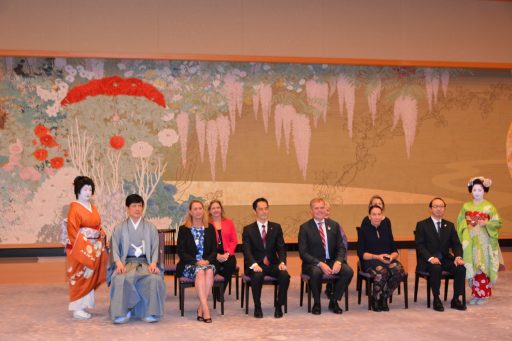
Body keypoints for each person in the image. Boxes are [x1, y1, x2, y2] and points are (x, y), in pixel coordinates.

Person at [107, 194, 167, 324]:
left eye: (140, 205)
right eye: (134, 206)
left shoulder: (150, 228)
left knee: (153, 278)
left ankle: (149, 312)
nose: (137, 209)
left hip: (145, 263)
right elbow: (114, 248)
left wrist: (153, 263)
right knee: (119, 278)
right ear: (127, 209)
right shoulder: (119, 228)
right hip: (125, 263)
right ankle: (122, 311)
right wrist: (118, 263)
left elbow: (156, 248)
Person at [298, 198, 353, 315]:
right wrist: (320, 263)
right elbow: (303, 253)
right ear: (311, 211)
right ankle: (317, 303)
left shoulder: (334, 225)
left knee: (348, 271)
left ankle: (334, 301)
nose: (319, 210)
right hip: (313, 263)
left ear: (325, 209)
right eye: (316, 208)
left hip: (332, 261)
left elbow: (341, 247)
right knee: (316, 272)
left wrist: (338, 261)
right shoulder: (305, 228)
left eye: (322, 208)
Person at [65, 176, 108, 320]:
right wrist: (86, 247)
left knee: (89, 277)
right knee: (79, 277)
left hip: (93, 246)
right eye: (85, 189)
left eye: (90, 189)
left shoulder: (93, 207)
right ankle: (77, 309)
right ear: (78, 190)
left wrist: (100, 234)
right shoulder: (75, 209)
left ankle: (83, 307)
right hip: (80, 248)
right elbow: (72, 231)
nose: (88, 192)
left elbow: (97, 226)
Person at [456, 176, 503, 305]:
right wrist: (467, 224)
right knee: (473, 266)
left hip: (484, 240)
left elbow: (498, 222)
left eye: (480, 190)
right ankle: (476, 294)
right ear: (471, 190)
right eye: (475, 190)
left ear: (484, 191)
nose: (477, 193)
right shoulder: (466, 206)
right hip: (470, 239)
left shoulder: (489, 207)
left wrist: (487, 223)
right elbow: (459, 222)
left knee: (483, 266)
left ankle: (483, 295)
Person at [415, 197, 466, 312]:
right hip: (428, 261)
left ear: (444, 209)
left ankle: (456, 299)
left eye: (441, 207)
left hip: (445, 259)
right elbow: (420, 245)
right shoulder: (422, 225)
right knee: (436, 268)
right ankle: (436, 299)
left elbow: (456, 244)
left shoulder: (449, 225)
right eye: (436, 206)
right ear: (430, 209)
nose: (439, 209)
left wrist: (458, 257)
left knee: (461, 268)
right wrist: (430, 258)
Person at [242, 198, 290, 318]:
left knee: (285, 275)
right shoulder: (248, 229)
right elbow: (246, 251)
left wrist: (282, 262)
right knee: (257, 276)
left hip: (273, 264)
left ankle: (279, 305)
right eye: (260, 209)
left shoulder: (276, 227)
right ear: (255, 211)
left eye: (266, 208)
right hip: (256, 265)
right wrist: (254, 264)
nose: (264, 211)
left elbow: (281, 248)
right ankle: (257, 307)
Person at [357, 204, 405, 312]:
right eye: (374, 214)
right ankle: (375, 299)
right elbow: (361, 254)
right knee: (382, 272)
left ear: (382, 215)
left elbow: (395, 251)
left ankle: (384, 297)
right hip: (370, 261)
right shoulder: (363, 231)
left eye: (379, 214)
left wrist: (391, 257)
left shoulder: (386, 229)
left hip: (387, 260)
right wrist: (377, 257)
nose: (377, 217)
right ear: (369, 216)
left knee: (399, 270)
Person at [176, 200, 217, 323]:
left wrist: (207, 260)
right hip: (189, 264)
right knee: (200, 272)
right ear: (190, 212)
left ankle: (200, 309)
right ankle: (206, 309)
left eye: (200, 208)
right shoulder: (184, 229)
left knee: (209, 271)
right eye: (195, 209)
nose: (198, 211)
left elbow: (215, 250)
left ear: (203, 210)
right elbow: (181, 252)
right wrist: (196, 262)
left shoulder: (210, 228)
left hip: (207, 263)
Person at [208, 200, 238, 295]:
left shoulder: (229, 222)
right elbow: (206, 244)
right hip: (212, 254)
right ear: (209, 211)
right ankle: (215, 288)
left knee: (230, 265)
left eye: (218, 207)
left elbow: (234, 240)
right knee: (214, 267)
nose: (216, 210)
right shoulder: (207, 224)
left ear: (221, 209)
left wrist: (227, 254)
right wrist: (216, 255)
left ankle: (220, 291)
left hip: (227, 253)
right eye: (213, 208)